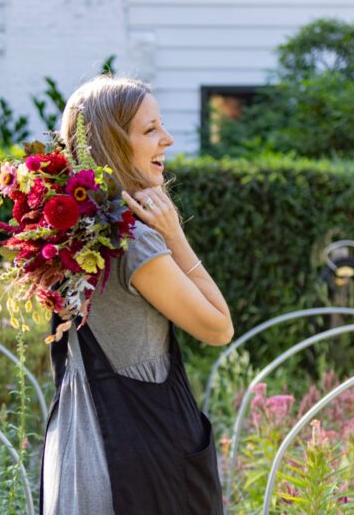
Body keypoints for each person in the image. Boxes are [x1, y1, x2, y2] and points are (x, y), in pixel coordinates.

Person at [39, 74, 233, 515]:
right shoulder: (132, 242)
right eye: (150, 130)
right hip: (137, 447)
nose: (166, 139)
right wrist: (175, 235)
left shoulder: (72, 237)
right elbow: (219, 327)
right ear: (111, 143)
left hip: (76, 439)